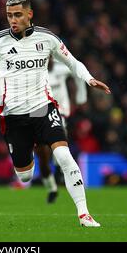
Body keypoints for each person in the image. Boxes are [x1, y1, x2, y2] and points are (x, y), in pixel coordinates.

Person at [0, 0, 111, 227]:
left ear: (29, 14)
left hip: (43, 108)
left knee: (64, 156)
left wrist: (88, 79)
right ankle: (32, 152)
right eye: (9, 15)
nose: (13, 20)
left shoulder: (47, 38)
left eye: (17, 14)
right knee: (24, 175)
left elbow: (73, 62)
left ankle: (84, 213)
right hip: (13, 116)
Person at [34, 57, 88, 204]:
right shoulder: (34, 72)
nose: (49, 61)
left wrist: (81, 97)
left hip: (60, 112)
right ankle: (52, 188)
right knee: (43, 157)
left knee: (60, 142)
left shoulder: (61, 68)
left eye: (50, 57)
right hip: (39, 115)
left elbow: (78, 70)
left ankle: (59, 172)